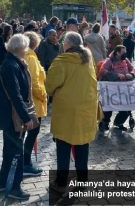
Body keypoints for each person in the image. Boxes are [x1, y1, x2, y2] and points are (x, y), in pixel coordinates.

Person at [46, 32, 98, 193]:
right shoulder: (87, 58)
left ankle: (61, 182)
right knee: (82, 146)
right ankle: (83, 181)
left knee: (63, 147)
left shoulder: (61, 61)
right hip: (86, 108)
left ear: (67, 45)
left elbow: (50, 85)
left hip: (66, 112)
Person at [0, 34, 33, 200]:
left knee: (10, 152)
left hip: (12, 114)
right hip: (12, 116)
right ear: (19, 48)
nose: (27, 50)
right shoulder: (10, 65)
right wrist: (26, 117)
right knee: (16, 153)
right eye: (25, 47)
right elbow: (15, 95)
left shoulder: (13, 63)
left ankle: (2, 184)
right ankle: (14, 188)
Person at [23, 31, 47, 176]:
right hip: (34, 103)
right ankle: (26, 163)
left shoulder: (28, 56)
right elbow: (33, 83)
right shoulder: (31, 58)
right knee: (32, 133)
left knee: (29, 133)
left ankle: (24, 161)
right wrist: (44, 95)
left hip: (31, 102)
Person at [98, 45, 135, 131]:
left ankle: (119, 122)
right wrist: (117, 75)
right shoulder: (109, 61)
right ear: (117, 53)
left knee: (126, 107)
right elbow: (102, 71)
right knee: (109, 107)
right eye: (123, 53)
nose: (125, 54)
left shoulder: (125, 60)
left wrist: (132, 74)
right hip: (112, 90)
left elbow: (132, 68)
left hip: (124, 89)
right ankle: (105, 123)